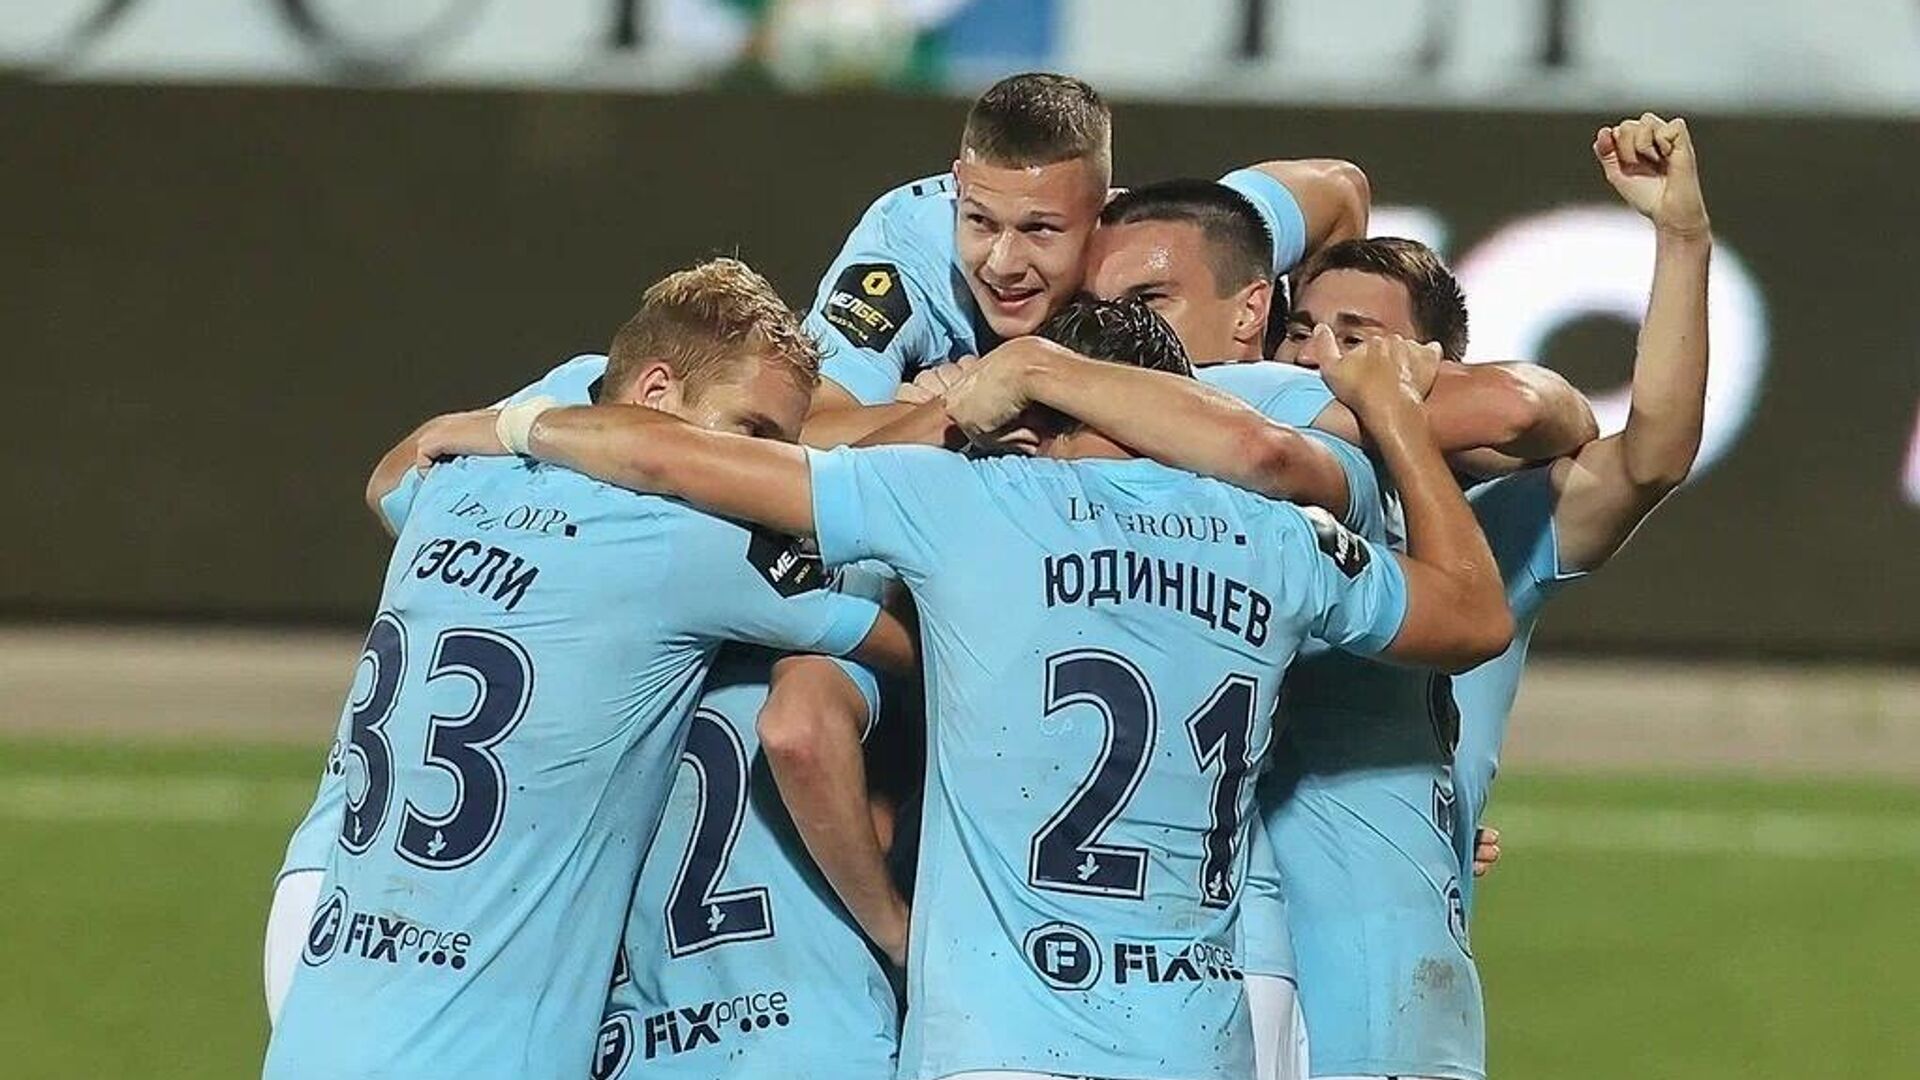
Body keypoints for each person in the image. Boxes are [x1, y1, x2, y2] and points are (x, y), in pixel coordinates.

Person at [409, 293, 1513, 1080]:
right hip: (1191, 1044)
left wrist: (509, 425)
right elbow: (1475, 616)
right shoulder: (1281, 545)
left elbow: (667, 458)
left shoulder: (967, 507)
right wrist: (1396, 418)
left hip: (996, 1043)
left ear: (1043, 412)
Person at [261, 258, 911, 1080]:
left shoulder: (453, 485)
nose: (763, 469)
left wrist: (516, 424)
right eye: (752, 434)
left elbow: (389, 478)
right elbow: (907, 643)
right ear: (655, 395)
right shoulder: (692, 545)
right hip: (482, 1053)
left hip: (321, 1024)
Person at [1262, 113, 1712, 1080]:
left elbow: (1653, 456)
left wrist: (1681, 236)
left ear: (1437, 369)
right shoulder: (1226, 508)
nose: (1314, 356)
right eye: (1300, 330)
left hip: (1390, 985)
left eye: (1356, 337)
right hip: (1231, 980)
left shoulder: (1493, 533)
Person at [799, 70, 1371, 446]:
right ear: (959, 185)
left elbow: (1340, 191)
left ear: (1102, 213)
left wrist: (1297, 340)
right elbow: (804, 434)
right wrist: (960, 412)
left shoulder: (1159, 248)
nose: (1002, 262)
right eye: (979, 221)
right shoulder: (906, 252)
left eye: (1040, 229)